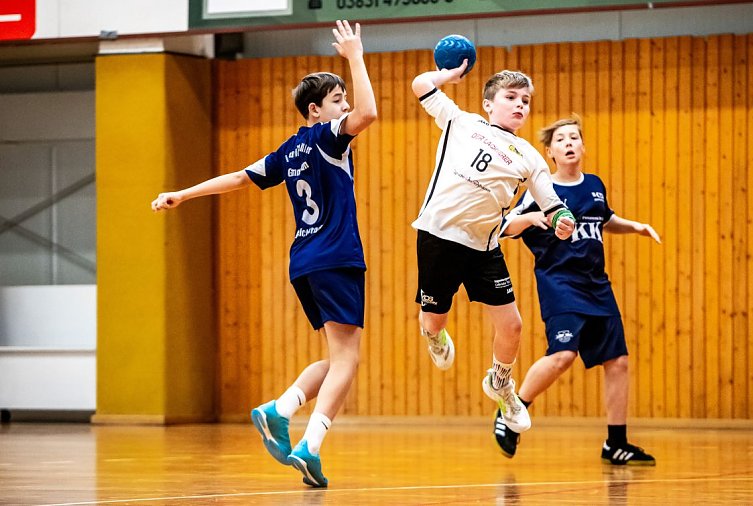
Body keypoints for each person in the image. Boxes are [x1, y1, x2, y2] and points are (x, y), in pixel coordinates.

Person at [150, 20, 377, 487]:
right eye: (338, 100)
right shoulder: (328, 135)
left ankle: (282, 408)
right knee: (347, 360)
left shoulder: (288, 151)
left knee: (337, 357)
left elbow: (238, 178)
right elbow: (369, 113)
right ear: (315, 110)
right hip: (336, 256)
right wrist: (355, 55)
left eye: (343, 100)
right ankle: (309, 444)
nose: (345, 106)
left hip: (305, 261)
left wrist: (182, 193)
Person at [410, 61, 577, 434]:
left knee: (513, 325)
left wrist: (562, 220)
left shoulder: (529, 156)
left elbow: (552, 204)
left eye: (525, 100)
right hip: (438, 238)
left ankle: (500, 383)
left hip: (483, 248)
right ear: (488, 103)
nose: (520, 105)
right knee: (434, 319)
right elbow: (420, 84)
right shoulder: (460, 122)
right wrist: (448, 76)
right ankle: (432, 334)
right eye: (511, 97)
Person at [492, 114, 659, 466]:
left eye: (574, 138)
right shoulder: (540, 192)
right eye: (561, 139)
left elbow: (604, 219)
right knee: (563, 355)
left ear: (583, 146)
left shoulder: (594, 185)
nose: (569, 143)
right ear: (549, 152)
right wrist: (531, 218)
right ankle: (511, 409)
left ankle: (616, 443)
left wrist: (636, 226)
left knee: (618, 361)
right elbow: (504, 226)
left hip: (597, 285)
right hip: (560, 284)